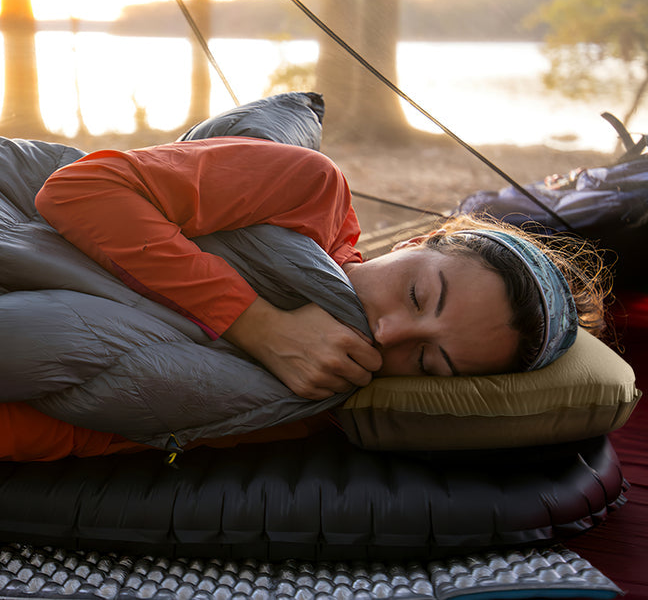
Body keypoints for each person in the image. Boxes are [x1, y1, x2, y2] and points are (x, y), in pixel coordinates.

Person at [1, 134, 610, 461]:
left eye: (428, 360)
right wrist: (255, 322)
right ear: (421, 240)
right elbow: (78, 190)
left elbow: (109, 424)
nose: (391, 332)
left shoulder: (307, 405)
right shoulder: (307, 193)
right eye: (419, 293)